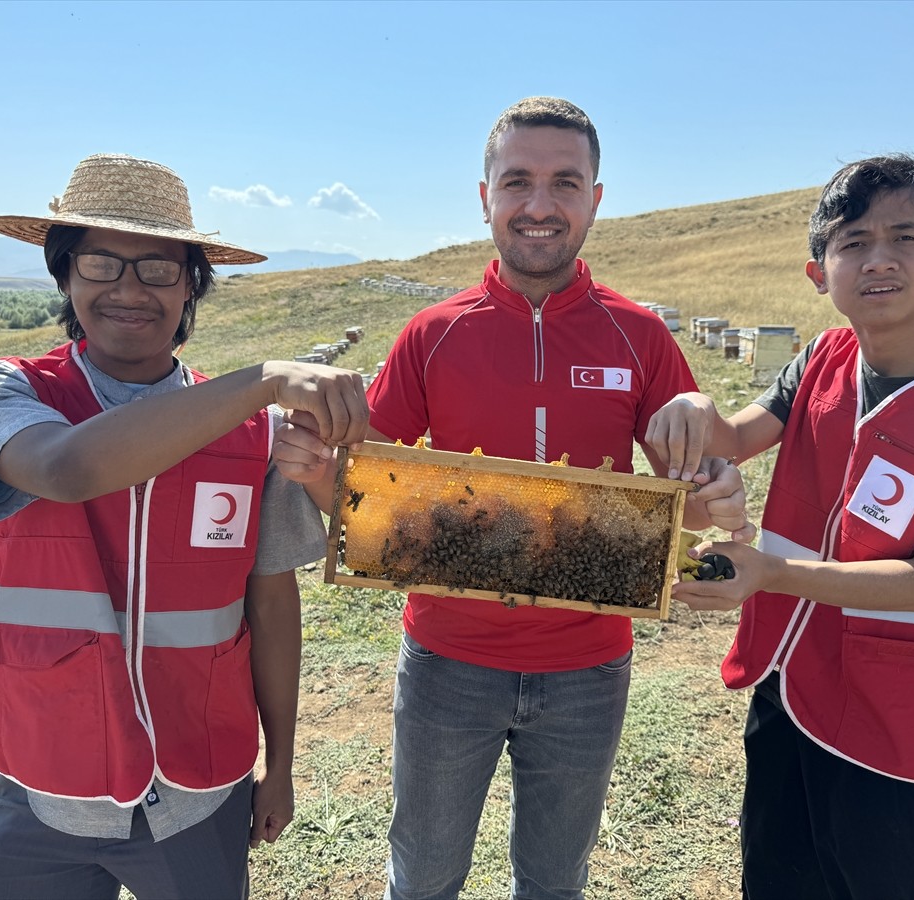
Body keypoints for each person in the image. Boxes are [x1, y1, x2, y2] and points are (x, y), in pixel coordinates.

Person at [275, 97, 753, 900]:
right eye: (518, 182)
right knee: (423, 875)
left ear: (596, 198)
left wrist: (718, 491)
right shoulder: (434, 334)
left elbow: (687, 502)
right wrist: (312, 465)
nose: (540, 205)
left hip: (588, 669)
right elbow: (360, 497)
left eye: (565, 183)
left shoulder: (639, 336)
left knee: (554, 881)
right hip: (445, 664)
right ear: (485, 195)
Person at [646, 153, 914, 898]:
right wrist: (692, 407)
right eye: (852, 242)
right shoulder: (823, 359)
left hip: (904, 720)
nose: (878, 260)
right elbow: (738, 436)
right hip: (791, 679)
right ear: (819, 272)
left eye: (905, 238)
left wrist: (770, 575)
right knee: (777, 881)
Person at [0, 153, 369, 900]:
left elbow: (271, 605)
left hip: (199, 789)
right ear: (66, 275)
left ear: (191, 287)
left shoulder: (254, 439)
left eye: (159, 269)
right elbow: (68, 469)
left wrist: (281, 763)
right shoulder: (1, 393)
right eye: (101, 263)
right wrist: (267, 380)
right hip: (45, 786)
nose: (129, 290)